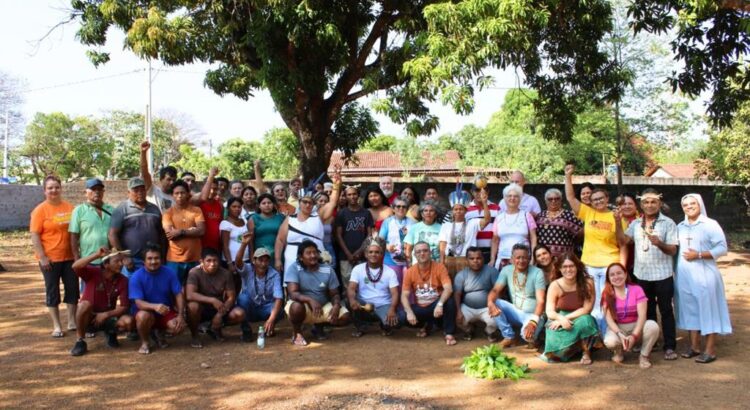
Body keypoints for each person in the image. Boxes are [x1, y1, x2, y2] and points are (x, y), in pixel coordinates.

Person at [613, 188, 679, 361]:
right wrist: (618, 222)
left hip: (663, 274)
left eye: (653, 202)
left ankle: (670, 346)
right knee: (647, 310)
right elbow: (623, 241)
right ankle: (652, 341)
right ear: (641, 205)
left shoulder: (668, 223)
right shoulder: (636, 224)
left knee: (666, 310)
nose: (650, 205)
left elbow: (673, 250)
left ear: (659, 203)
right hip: (642, 275)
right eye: (646, 202)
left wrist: (660, 244)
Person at [564, 163, 626, 334]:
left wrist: (618, 222)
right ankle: (595, 334)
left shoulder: (617, 216)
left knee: (608, 300)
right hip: (589, 264)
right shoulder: (588, 213)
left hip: (609, 265)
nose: (598, 201)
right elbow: (570, 198)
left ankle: (608, 333)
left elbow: (622, 241)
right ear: (590, 202)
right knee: (591, 300)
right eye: (595, 199)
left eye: (601, 198)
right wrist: (568, 176)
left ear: (607, 199)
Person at [675, 193, 732, 364]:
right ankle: (694, 347)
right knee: (690, 309)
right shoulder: (680, 226)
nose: (689, 207)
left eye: (692, 203)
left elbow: (722, 248)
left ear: (700, 204)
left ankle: (710, 350)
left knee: (708, 310)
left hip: (705, 275)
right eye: (685, 205)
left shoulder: (710, 224)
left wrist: (699, 255)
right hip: (684, 276)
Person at [30, 175, 78, 338]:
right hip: (50, 260)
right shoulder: (40, 210)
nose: (54, 190)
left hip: (70, 258)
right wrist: (42, 257)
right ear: (44, 191)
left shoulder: (70, 208)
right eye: (50, 188)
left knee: (72, 289)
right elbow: (35, 235)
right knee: (52, 291)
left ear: (61, 189)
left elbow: (75, 232)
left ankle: (71, 321)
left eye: (56, 187)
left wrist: (77, 254)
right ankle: (57, 326)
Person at [275, 167, 342, 273]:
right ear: (299, 203)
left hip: (316, 261)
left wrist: (336, 185)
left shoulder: (318, 216)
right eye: (305, 202)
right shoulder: (290, 219)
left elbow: (333, 202)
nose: (307, 205)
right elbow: (280, 239)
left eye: (310, 202)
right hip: (292, 263)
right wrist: (278, 259)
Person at [285, 240, 350, 346]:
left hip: (321, 307)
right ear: (301, 257)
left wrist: (336, 306)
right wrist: (310, 300)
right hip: (303, 307)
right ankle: (297, 333)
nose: (313, 255)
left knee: (345, 317)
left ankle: (318, 327)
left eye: (315, 252)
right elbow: (293, 293)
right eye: (308, 253)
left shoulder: (328, 270)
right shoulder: (294, 268)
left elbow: (335, 294)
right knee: (296, 308)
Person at [70, 248, 133, 356]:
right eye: (117, 261)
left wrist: (105, 314)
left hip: (107, 317)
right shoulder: (93, 272)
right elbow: (75, 266)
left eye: (121, 261)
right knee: (84, 305)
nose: (121, 264)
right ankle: (80, 341)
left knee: (128, 321)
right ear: (106, 264)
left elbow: (124, 306)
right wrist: (96, 255)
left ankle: (111, 333)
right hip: (89, 317)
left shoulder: (123, 280)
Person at [129, 243, 187, 354]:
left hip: (165, 311)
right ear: (143, 261)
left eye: (156, 258)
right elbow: (139, 303)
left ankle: (159, 333)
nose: (153, 261)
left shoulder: (170, 273)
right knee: (143, 316)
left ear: (161, 259)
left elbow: (178, 294)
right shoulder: (136, 277)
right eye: (149, 258)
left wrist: (180, 315)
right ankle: (145, 342)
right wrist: (155, 306)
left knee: (178, 327)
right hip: (146, 312)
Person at [541, 253, 598, 364]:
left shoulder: (588, 282)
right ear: (560, 269)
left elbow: (587, 309)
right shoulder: (555, 285)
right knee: (553, 341)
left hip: (580, 317)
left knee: (587, 321)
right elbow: (549, 311)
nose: (568, 269)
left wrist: (566, 318)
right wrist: (561, 319)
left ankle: (586, 352)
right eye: (565, 267)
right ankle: (571, 350)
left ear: (577, 267)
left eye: (571, 266)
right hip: (559, 317)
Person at [601, 263, 660, 369]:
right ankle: (619, 352)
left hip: (636, 325)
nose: (616, 277)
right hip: (618, 327)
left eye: (619, 273)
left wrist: (634, 336)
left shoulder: (637, 289)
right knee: (610, 341)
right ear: (608, 278)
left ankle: (644, 356)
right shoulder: (607, 293)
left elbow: (642, 316)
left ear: (625, 274)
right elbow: (609, 320)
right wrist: (619, 334)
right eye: (612, 275)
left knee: (652, 326)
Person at [488, 244, 546, 348]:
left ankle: (535, 339)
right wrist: (490, 303)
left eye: (524, 257)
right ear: (511, 259)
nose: (521, 260)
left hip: (533, 314)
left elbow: (541, 301)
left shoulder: (537, 272)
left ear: (529, 259)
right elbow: (495, 290)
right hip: (515, 311)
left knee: (527, 337)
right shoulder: (506, 270)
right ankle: (509, 337)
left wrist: (533, 322)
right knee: (495, 302)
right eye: (518, 257)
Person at [186, 248, 245, 347]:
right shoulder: (194, 272)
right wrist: (212, 300)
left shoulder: (226, 274)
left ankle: (215, 328)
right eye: (208, 261)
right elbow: (190, 294)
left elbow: (231, 297)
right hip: (202, 308)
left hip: (219, 307)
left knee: (240, 314)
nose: (212, 264)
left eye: (215, 260)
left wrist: (219, 315)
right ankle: (195, 335)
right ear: (201, 262)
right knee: (193, 306)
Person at [401, 242, 458, 345]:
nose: (422, 253)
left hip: (436, 306)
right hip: (421, 307)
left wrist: (440, 304)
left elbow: (448, 289)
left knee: (449, 301)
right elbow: (404, 295)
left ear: (430, 252)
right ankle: (427, 324)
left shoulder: (440, 267)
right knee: (401, 317)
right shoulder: (410, 271)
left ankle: (449, 333)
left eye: (425, 251)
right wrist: (409, 312)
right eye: (418, 251)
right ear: (415, 255)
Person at [347, 237, 404, 337]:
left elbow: (395, 293)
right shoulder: (358, 269)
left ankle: (384, 325)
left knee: (398, 321)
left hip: (383, 305)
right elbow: (351, 288)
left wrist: (392, 309)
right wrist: (352, 300)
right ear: (366, 254)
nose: (373, 254)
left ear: (382, 255)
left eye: (377, 252)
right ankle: (361, 326)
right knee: (348, 300)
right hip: (363, 304)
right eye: (370, 252)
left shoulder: (390, 272)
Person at [109, 177, 165, 272]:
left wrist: (162, 255)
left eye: (142, 189)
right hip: (132, 262)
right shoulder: (122, 209)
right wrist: (124, 257)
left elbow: (161, 234)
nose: (140, 192)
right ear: (128, 192)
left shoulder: (154, 209)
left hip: (153, 260)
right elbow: (112, 235)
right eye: (136, 190)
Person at [235, 237, 284, 342]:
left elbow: (279, 297)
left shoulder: (274, 274)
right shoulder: (248, 269)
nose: (263, 264)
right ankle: (246, 330)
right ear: (253, 260)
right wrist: (243, 244)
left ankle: (269, 327)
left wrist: (271, 319)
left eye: (266, 261)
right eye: (260, 260)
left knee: (279, 309)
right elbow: (238, 262)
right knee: (242, 298)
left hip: (266, 308)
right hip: (250, 307)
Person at [439, 188, 490, 277]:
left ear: (466, 211)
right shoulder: (446, 225)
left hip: (466, 260)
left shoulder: (472, 223)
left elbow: (487, 220)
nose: (458, 211)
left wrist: (485, 203)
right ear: (452, 211)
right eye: (455, 209)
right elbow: (442, 245)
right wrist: (441, 261)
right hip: (449, 260)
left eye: (461, 209)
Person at [162, 179, 205, 284]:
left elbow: (201, 231)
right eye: (176, 193)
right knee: (174, 290)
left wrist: (181, 232)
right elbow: (171, 234)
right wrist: (191, 231)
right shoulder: (167, 213)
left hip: (195, 258)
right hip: (174, 259)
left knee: (195, 288)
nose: (179, 196)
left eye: (182, 193)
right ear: (172, 195)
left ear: (188, 194)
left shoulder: (196, 210)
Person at [453, 247, 499, 342]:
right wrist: (458, 311)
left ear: (483, 258)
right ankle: (469, 330)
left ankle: (488, 332)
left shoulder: (492, 271)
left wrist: (495, 305)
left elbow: (498, 290)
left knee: (497, 320)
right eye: (472, 258)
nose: (475, 261)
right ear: (467, 260)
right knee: (459, 320)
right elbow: (457, 294)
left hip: (487, 307)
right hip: (468, 307)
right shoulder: (461, 274)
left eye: (478, 258)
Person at [490, 183, 538, 269]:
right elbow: (495, 240)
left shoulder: (527, 215)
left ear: (520, 199)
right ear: (505, 198)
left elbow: (533, 238)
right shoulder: (499, 217)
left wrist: (533, 258)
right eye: (509, 196)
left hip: (523, 260)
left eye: (516, 196)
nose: (512, 198)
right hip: (503, 259)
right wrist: (492, 259)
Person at [69, 178, 115, 264]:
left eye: (99, 189)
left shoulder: (111, 210)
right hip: (88, 261)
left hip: (109, 261)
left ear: (103, 192)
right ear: (85, 192)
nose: (97, 192)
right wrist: (76, 258)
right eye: (93, 189)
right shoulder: (79, 211)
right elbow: (74, 236)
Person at [334, 185, 374, 283]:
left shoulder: (366, 213)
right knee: (347, 282)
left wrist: (359, 252)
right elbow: (338, 235)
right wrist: (348, 254)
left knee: (363, 281)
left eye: (354, 194)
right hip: (345, 255)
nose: (352, 197)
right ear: (345, 196)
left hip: (362, 255)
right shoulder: (341, 214)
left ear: (358, 195)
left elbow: (369, 235)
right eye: (349, 194)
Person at [535, 188, 583, 259]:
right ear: (545, 201)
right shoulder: (539, 216)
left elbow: (580, 234)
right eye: (550, 199)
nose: (553, 201)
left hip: (564, 258)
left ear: (561, 200)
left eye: (557, 199)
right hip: (544, 258)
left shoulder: (569, 215)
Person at [379, 197, 415, 285]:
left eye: (404, 206)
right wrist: (387, 246)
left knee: (408, 286)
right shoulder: (387, 222)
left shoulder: (413, 223)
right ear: (393, 208)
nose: (401, 208)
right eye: (398, 206)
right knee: (393, 286)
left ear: (407, 209)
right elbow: (380, 240)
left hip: (409, 261)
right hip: (390, 260)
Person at [465, 182, 501, 263]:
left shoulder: (496, 208)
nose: (481, 193)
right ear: (472, 192)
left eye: (484, 190)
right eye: (477, 190)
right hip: (472, 253)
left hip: (491, 252)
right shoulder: (466, 209)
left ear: (488, 192)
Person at [248, 193, 285, 264]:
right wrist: (251, 257)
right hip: (260, 257)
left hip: (278, 256)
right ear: (259, 206)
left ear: (273, 204)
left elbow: (285, 238)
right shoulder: (253, 218)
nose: (267, 205)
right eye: (263, 203)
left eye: (269, 203)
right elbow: (250, 241)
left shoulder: (281, 218)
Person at [403, 200, 442, 266]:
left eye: (431, 211)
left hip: (436, 265)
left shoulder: (441, 228)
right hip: (417, 265)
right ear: (422, 214)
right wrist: (410, 264)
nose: (428, 213)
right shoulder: (415, 227)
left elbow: (443, 249)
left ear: (435, 214)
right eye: (425, 211)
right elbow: (408, 248)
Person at [140, 141, 176, 213]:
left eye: (174, 180)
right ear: (161, 179)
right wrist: (143, 152)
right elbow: (145, 173)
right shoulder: (153, 190)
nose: (172, 182)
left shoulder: (177, 197)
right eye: (168, 179)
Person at [196, 167, 224, 257]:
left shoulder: (220, 205)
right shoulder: (197, 203)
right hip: (200, 248)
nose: (212, 191)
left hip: (215, 248)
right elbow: (202, 197)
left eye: (215, 189)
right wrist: (211, 175)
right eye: (210, 188)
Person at [220, 197, 248, 275]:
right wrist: (229, 263)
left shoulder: (244, 221)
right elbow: (225, 245)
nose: (237, 209)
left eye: (239, 207)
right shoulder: (225, 223)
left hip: (245, 259)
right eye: (234, 207)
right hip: (232, 261)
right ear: (228, 208)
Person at [315, 192, 337, 269]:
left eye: (326, 201)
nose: (323, 203)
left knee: (330, 270)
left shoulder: (331, 217)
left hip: (328, 247)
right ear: (315, 202)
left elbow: (334, 233)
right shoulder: (310, 216)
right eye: (320, 201)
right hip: (315, 248)